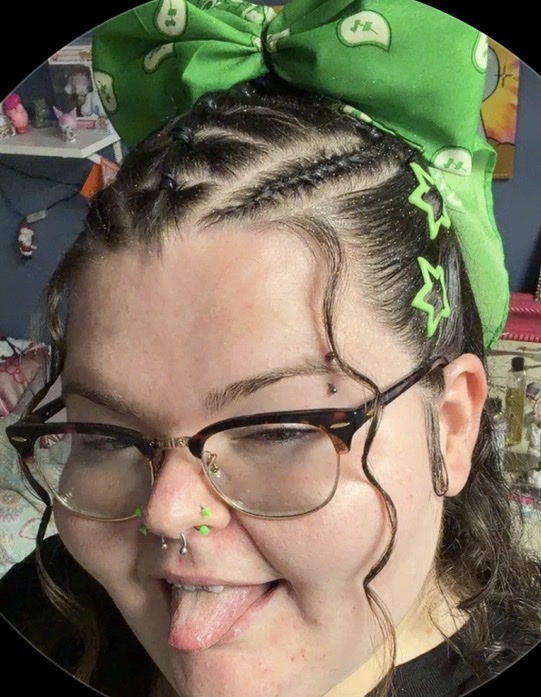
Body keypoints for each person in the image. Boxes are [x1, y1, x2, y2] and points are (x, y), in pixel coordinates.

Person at [1, 1, 540, 696]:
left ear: (453, 425)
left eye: (279, 430)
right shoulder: (39, 612)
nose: (167, 511)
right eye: (104, 436)